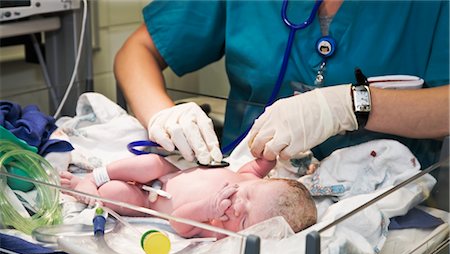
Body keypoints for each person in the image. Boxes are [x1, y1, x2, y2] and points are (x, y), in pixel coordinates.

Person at [114, 0, 449, 169]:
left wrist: (350, 106)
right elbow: (137, 52)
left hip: (385, 227)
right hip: (243, 197)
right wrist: (163, 116)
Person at [60, 155, 317, 239]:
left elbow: (178, 222)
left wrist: (207, 209)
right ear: (263, 182)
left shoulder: (217, 227)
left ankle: (87, 190)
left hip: (149, 200)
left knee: (113, 195)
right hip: (169, 173)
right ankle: (93, 177)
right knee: (150, 162)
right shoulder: (250, 179)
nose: (237, 206)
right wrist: (268, 157)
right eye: (247, 195)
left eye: (244, 220)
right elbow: (252, 169)